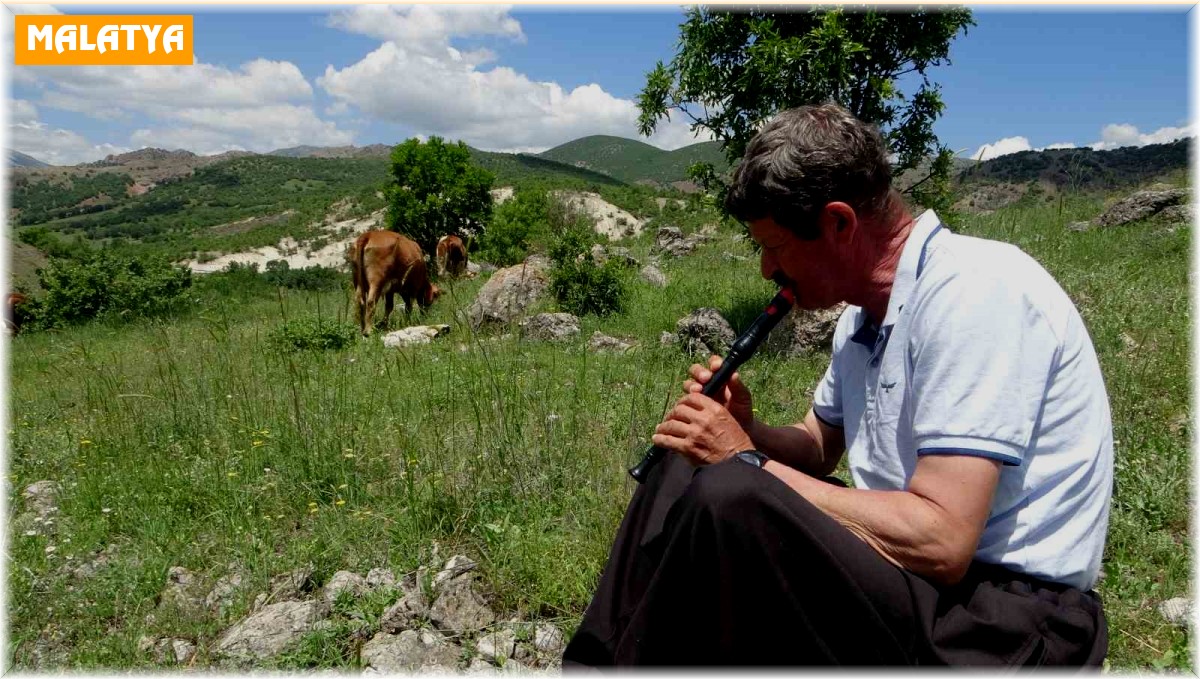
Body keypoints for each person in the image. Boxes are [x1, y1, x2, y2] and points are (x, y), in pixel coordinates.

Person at [562, 103, 1113, 667]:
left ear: (839, 224)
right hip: (921, 589)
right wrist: (745, 431)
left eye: (773, 246)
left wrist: (746, 460)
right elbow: (819, 446)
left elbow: (943, 540)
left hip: (1009, 621)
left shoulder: (974, 293)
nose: (765, 271)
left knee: (730, 490)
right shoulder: (863, 316)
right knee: (686, 461)